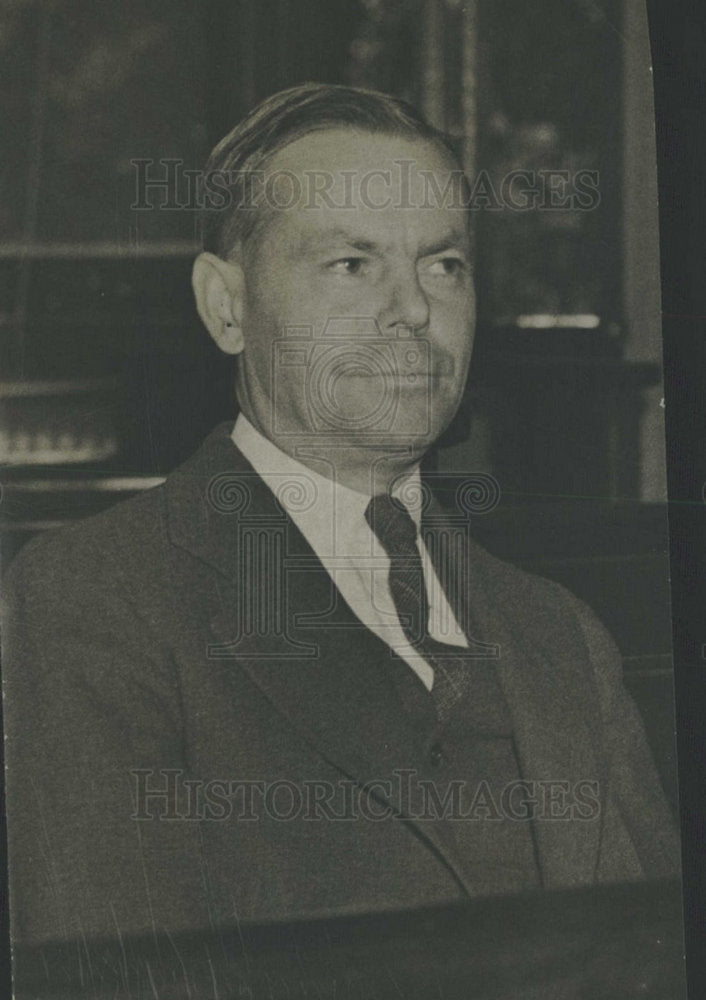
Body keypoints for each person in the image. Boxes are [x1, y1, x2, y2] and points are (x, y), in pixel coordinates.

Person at [1, 83, 679, 947]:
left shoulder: (561, 635)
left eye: (444, 264)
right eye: (353, 264)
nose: (415, 309)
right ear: (227, 305)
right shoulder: (93, 604)